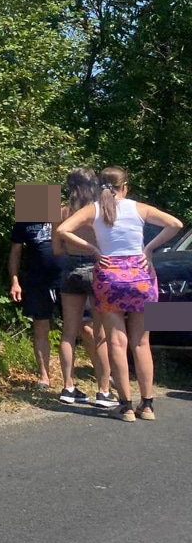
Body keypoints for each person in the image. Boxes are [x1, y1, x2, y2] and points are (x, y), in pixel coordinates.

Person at [57, 167, 182, 422]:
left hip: (109, 275)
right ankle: (147, 405)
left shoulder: (93, 209)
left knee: (116, 341)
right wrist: (149, 249)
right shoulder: (139, 208)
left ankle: (125, 406)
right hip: (141, 274)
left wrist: (93, 249)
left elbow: (63, 230)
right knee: (142, 342)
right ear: (125, 186)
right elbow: (175, 224)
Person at [52, 168, 115, 407]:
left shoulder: (61, 212)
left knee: (69, 332)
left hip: (70, 268)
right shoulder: (100, 211)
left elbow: (56, 249)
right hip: (97, 268)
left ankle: (68, 387)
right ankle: (104, 391)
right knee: (100, 334)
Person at [9, 217, 62, 389]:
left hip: (66, 278)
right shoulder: (24, 221)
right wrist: (15, 282)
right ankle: (44, 377)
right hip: (38, 281)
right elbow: (15, 252)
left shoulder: (63, 214)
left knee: (83, 327)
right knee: (40, 328)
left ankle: (102, 376)